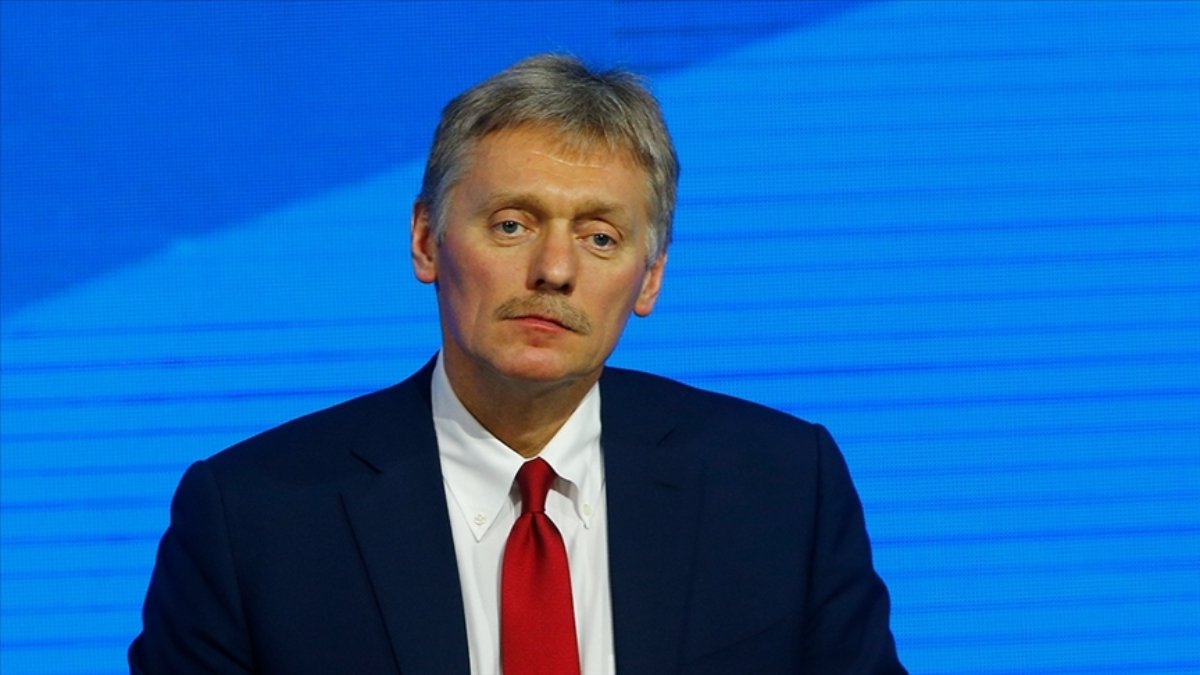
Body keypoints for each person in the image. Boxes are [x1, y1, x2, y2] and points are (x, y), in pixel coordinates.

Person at [130, 54, 905, 674]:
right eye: (512, 224)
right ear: (427, 241)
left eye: (600, 237)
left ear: (650, 278)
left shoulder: (780, 487)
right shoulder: (253, 517)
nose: (554, 269)